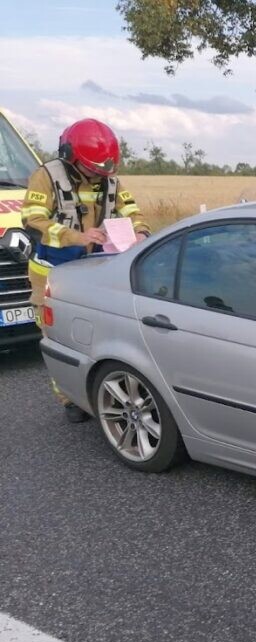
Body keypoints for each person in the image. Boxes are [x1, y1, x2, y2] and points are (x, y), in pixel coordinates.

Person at [22, 118, 150, 423]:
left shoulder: (108, 178)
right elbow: (33, 222)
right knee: (59, 338)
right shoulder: (46, 177)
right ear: (71, 157)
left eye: (105, 171)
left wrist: (142, 232)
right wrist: (77, 237)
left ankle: (99, 389)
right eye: (93, 170)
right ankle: (69, 397)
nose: (99, 176)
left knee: (95, 335)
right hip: (53, 273)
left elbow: (132, 212)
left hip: (95, 271)